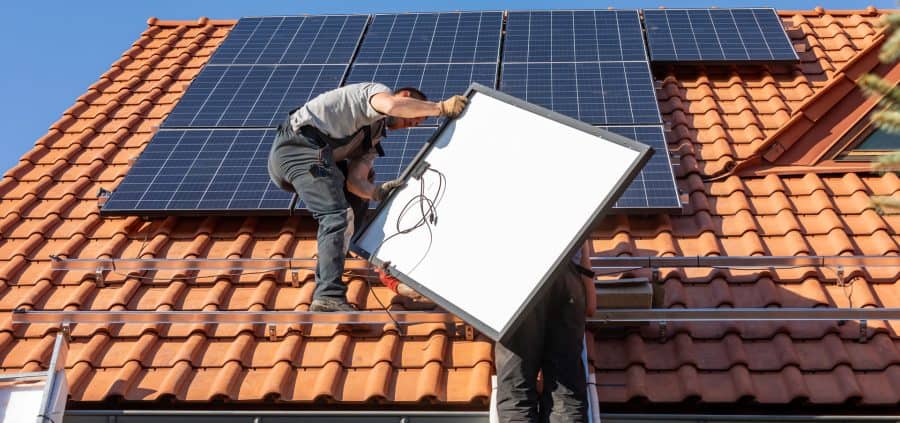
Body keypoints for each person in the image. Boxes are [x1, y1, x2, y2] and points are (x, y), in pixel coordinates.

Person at [268, 82, 468, 312]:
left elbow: (354, 182)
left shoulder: (371, 142)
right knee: (336, 216)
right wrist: (439, 108)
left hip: (320, 159)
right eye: (413, 117)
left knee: (357, 203)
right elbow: (392, 105)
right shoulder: (373, 93)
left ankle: (377, 264)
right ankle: (328, 296)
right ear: (405, 96)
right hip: (298, 147)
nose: (412, 124)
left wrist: (375, 192)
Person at [494, 242, 595, 423]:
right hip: (568, 280)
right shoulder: (579, 217)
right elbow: (591, 306)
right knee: (566, 394)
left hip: (517, 281)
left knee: (516, 395)